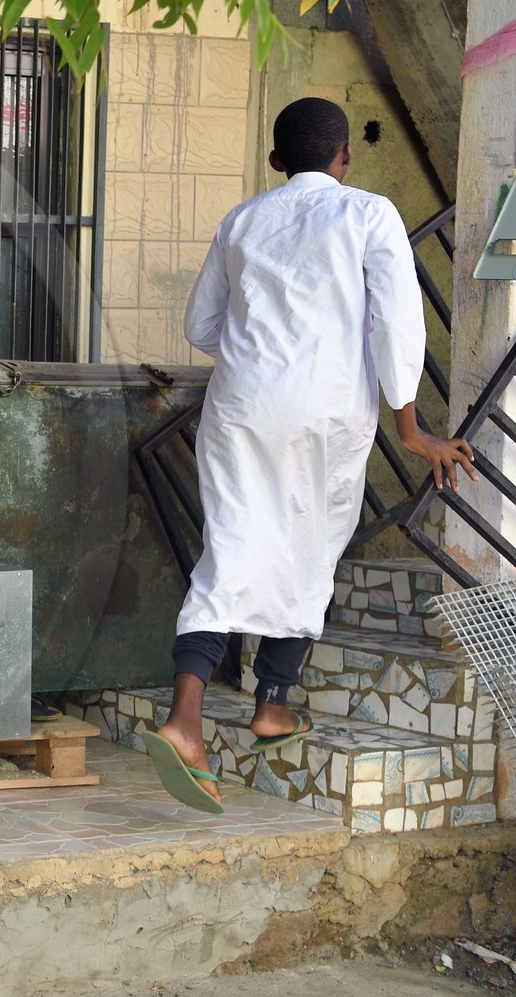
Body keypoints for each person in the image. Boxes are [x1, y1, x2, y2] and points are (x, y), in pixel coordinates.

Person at [142, 97, 477, 812]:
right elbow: (397, 327)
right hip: (326, 413)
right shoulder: (368, 213)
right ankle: (271, 702)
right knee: (310, 548)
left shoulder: (243, 219)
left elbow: (201, 322)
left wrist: (259, 352)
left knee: (228, 548)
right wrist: (412, 429)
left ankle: (185, 721)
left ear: (275, 163)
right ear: (345, 154)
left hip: (238, 408)